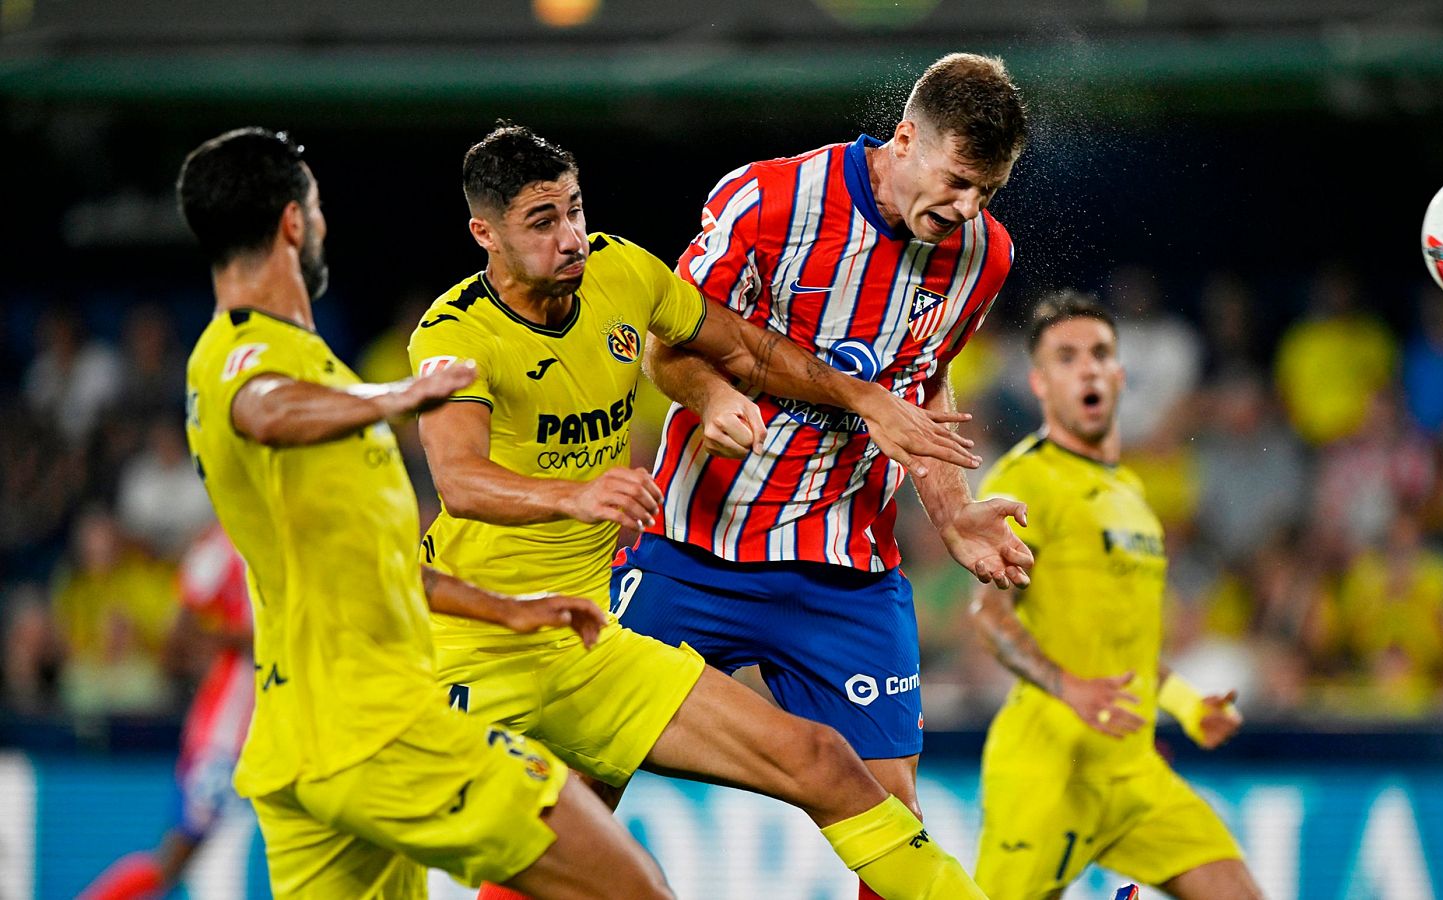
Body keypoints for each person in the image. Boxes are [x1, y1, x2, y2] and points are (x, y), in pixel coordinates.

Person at [411, 122, 987, 900]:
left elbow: (742, 348)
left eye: (575, 210)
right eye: (542, 223)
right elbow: (460, 481)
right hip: (474, 648)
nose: (572, 236)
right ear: (484, 232)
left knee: (823, 765)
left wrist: (860, 398)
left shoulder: (623, 272)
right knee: (500, 860)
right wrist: (573, 495)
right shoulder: (455, 335)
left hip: (588, 650)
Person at [177, 126, 671, 898]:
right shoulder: (249, 357)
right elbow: (264, 407)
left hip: (296, 749)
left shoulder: (306, 365)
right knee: (632, 888)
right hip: (378, 728)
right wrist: (397, 397)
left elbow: (379, 565)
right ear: (294, 224)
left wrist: (507, 612)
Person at [613, 54, 1034, 899]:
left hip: (844, 571)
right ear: (905, 138)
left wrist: (951, 513)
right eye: (956, 181)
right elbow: (669, 349)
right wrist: (710, 396)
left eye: (986, 192)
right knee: (576, 783)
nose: (965, 209)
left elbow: (925, 377)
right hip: (694, 549)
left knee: (889, 816)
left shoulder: (982, 256)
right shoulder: (767, 201)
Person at [969, 292, 1264, 899]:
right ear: (1040, 384)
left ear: (1121, 375)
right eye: (1066, 357)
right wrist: (1068, 686)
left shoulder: (1133, 494)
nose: (1088, 368)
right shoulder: (1025, 482)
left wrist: (1186, 704)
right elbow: (989, 616)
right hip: (1048, 769)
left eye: (1100, 353)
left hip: (1132, 771)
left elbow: (1126, 641)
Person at [78, 525, 253, 900]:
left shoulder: (290, 530)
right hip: (225, 737)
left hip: (275, 728)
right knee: (173, 859)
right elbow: (177, 635)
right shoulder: (226, 546)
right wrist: (245, 640)